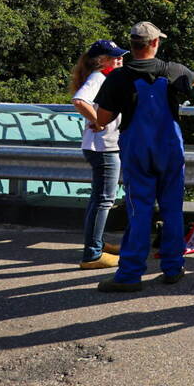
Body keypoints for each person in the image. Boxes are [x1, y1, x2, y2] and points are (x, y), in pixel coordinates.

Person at [92, 22, 194, 292]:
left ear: (133, 45)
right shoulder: (173, 70)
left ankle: (130, 275)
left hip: (137, 149)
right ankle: (173, 268)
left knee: (139, 210)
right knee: (172, 209)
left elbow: (103, 118)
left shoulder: (118, 77)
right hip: (170, 147)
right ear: (155, 43)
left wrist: (100, 120)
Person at [70, 39, 128, 269]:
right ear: (101, 60)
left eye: (120, 55)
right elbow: (79, 100)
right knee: (104, 201)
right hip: (103, 148)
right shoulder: (98, 77)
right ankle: (92, 254)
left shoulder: (106, 77)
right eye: (115, 56)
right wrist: (98, 121)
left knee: (98, 200)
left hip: (101, 146)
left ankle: (97, 244)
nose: (120, 58)